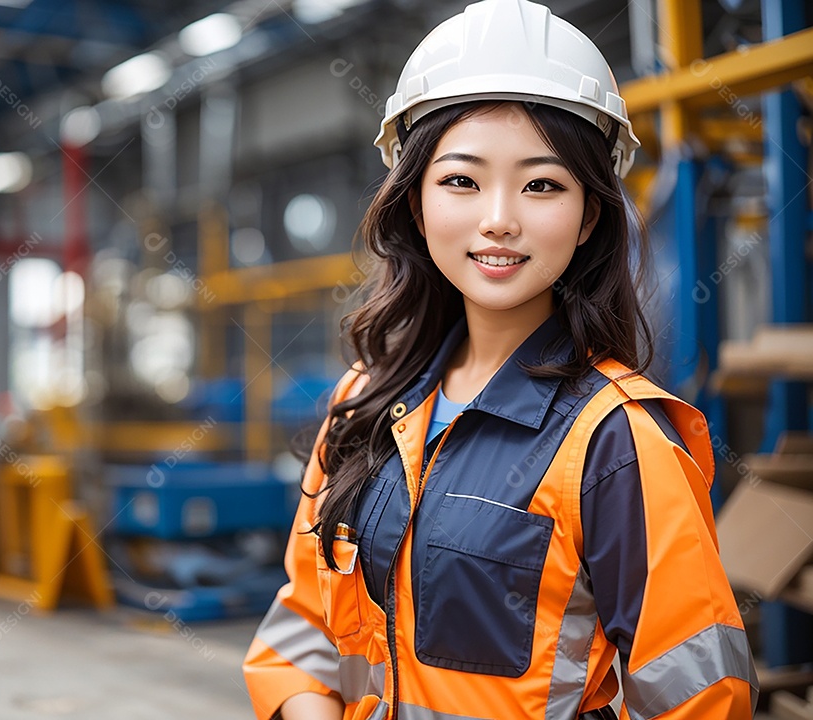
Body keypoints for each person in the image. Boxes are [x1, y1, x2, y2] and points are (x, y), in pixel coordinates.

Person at [242, 0, 759, 718]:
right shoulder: (364, 404)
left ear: (589, 215)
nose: (499, 219)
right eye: (462, 180)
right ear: (415, 203)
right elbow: (302, 634)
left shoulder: (616, 443)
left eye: (542, 184)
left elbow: (701, 700)